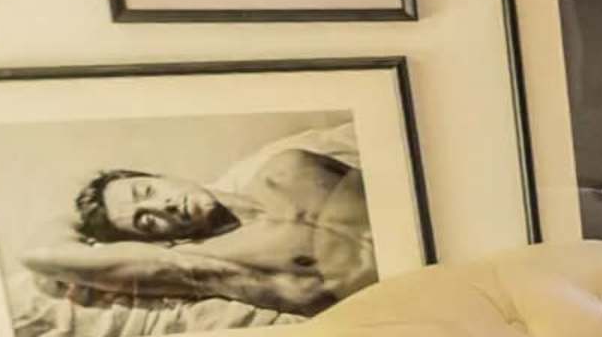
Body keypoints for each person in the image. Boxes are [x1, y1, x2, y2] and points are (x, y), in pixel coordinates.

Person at [20, 122, 373, 324]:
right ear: (157, 242)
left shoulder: (289, 165)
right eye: (146, 221)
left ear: (162, 176)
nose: (163, 206)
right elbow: (40, 254)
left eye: (147, 191)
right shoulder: (210, 262)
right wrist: (91, 220)